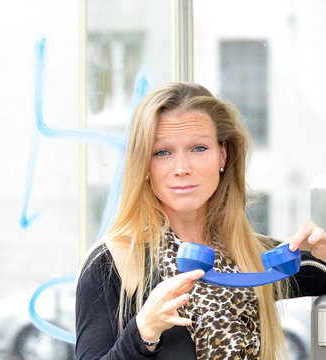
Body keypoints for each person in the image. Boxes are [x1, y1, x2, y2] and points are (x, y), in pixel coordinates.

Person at [75, 82, 326, 360]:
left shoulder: (252, 256)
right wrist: (144, 330)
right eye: (162, 152)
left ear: (223, 154)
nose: (182, 168)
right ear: (144, 165)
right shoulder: (113, 263)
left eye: (198, 148)